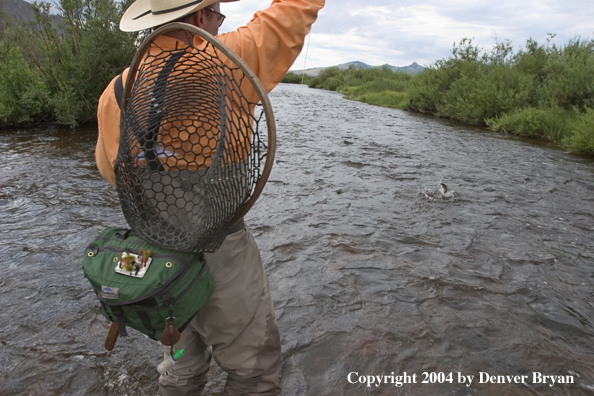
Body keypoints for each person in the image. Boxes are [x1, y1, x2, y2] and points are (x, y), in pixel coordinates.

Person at [95, 0, 325, 395]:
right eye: (216, 14)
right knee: (254, 374)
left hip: (154, 263)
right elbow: (293, 11)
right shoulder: (229, 59)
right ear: (201, 17)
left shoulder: (115, 91)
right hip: (222, 257)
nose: (219, 24)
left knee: (180, 368)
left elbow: (108, 169)